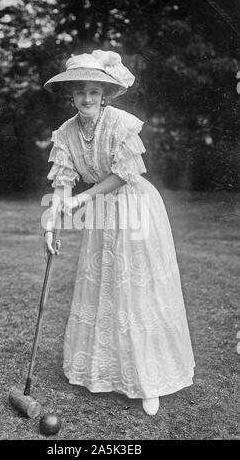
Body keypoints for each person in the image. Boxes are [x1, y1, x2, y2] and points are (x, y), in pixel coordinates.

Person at [42, 50, 195, 416]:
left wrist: (81, 199)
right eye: (81, 92)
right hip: (100, 214)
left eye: (95, 92)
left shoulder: (123, 123)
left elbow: (122, 175)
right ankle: (106, 372)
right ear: (72, 95)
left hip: (134, 206)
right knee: (105, 288)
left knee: (137, 290)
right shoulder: (65, 133)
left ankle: (150, 381)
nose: (88, 99)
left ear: (105, 95)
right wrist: (52, 222)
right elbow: (62, 183)